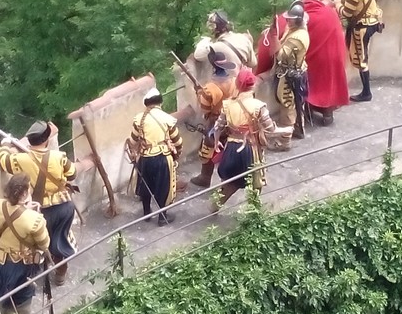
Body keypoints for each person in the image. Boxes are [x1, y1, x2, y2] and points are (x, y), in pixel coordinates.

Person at [0, 120, 77, 287]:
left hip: (39, 211)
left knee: (36, 245)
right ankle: (61, 272)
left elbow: (4, 160)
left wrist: (6, 143)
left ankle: (34, 275)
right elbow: (72, 174)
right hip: (63, 207)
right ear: (47, 139)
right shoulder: (59, 157)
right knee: (60, 240)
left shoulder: (20, 159)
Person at [212, 68, 293, 211]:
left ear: (237, 84)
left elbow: (218, 126)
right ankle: (253, 213)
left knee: (229, 182)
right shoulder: (258, 106)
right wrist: (287, 130)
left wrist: (216, 142)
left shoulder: (227, 105)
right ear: (253, 85)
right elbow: (271, 130)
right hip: (250, 149)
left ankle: (213, 207)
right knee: (255, 183)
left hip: (231, 147)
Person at [0, 173, 50, 314]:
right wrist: (30, 212)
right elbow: (44, 244)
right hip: (20, 266)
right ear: (24, 193)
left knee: (2, 298)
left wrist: (23, 209)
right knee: (22, 300)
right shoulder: (34, 219)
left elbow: (6, 216)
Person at [126, 88, 184, 226]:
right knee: (163, 187)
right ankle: (162, 217)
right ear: (160, 102)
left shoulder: (139, 119)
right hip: (162, 158)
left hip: (145, 158)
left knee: (145, 186)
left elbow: (133, 140)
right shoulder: (166, 118)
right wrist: (177, 153)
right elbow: (177, 141)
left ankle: (147, 213)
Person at [336, 0, 383, 103]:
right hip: (374, 23)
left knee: (362, 60)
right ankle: (366, 91)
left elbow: (347, 13)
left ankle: (366, 93)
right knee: (363, 57)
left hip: (362, 27)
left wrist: (338, 5)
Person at [301, 0, 350, 125]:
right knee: (328, 85)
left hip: (317, 58)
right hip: (335, 57)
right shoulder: (330, 12)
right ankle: (328, 114)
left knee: (310, 81)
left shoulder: (305, 16)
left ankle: (309, 110)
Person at [190, 48, 239, 188]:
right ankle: (228, 180)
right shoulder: (234, 81)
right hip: (232, 119)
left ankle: (205, 177)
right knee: (229, 149)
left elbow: (205, 109)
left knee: (208, 148)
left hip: (215, 122)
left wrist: (199, 93)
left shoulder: (210, 88)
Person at [272, 0, 310, 149]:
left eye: (291, 19)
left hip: (290, 75)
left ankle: (285, 140)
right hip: (294, 71)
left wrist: (274, 38)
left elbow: (280, 55)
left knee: (287, 104)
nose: (287, 21)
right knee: (294, 104)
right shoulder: (296, 30)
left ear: (298, 20)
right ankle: (297, 129)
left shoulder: (297, 37)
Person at [193, 10, 257, 70]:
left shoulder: (215, 47)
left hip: (225, 78)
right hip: (241, 77)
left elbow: (197, 55)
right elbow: (253, 63)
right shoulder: (243, 38)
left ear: (214, 30)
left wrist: (206, 40)